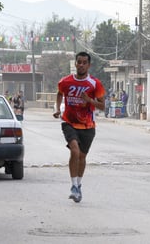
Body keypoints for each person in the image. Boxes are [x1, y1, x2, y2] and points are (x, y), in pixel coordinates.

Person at [53, 51, 105, 203]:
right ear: (75, 63)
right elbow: (59, 93)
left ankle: (79, 184)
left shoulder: (95, 83)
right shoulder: (66, 81)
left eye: (84, 62)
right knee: (74, 151)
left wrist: (89, 100)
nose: (81, 65)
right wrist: (57, 109)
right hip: (69, 121)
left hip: (88, 125)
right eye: (79, 62)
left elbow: (102, 106)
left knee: (82, 157)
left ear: (89, 65)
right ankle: (73, 186)